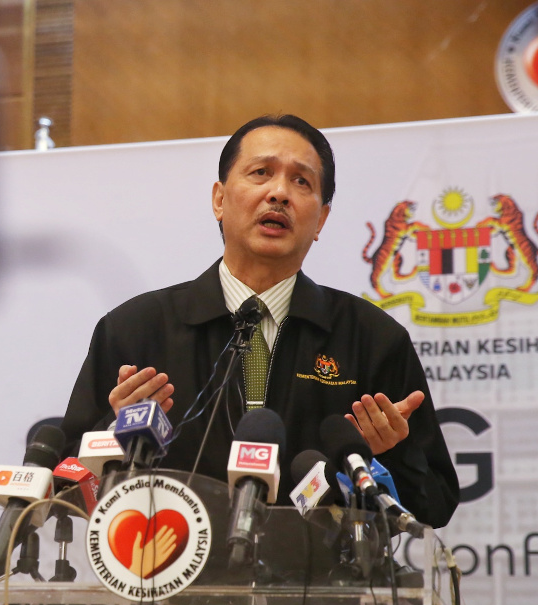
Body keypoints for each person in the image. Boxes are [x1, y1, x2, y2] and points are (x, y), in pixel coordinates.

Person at [60, 114, 459, 528]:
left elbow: (435, 505)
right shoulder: (135, 330)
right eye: (261, 173)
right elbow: (63, 490)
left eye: (301, 182)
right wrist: (114, 431)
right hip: (168, 578)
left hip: (324, 589)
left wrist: (391, 453)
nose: (280, 193)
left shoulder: (372, 339)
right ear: (219, 199)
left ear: (321, 220)